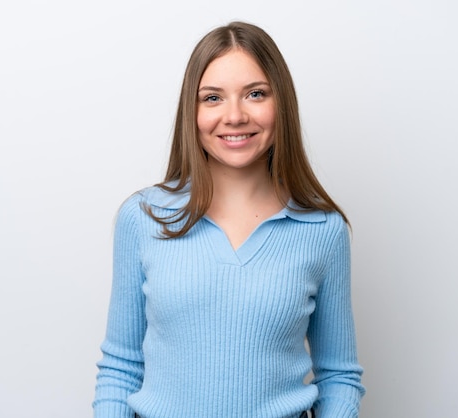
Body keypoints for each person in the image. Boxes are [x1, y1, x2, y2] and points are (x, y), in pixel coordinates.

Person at [93, 21, 365, 418]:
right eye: (213, 98)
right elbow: (120, 368)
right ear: (193, 111)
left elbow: (339, 376)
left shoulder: (323, 230)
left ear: (281, 104)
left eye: (255, 94)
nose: (234, 116)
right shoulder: (144, 218)